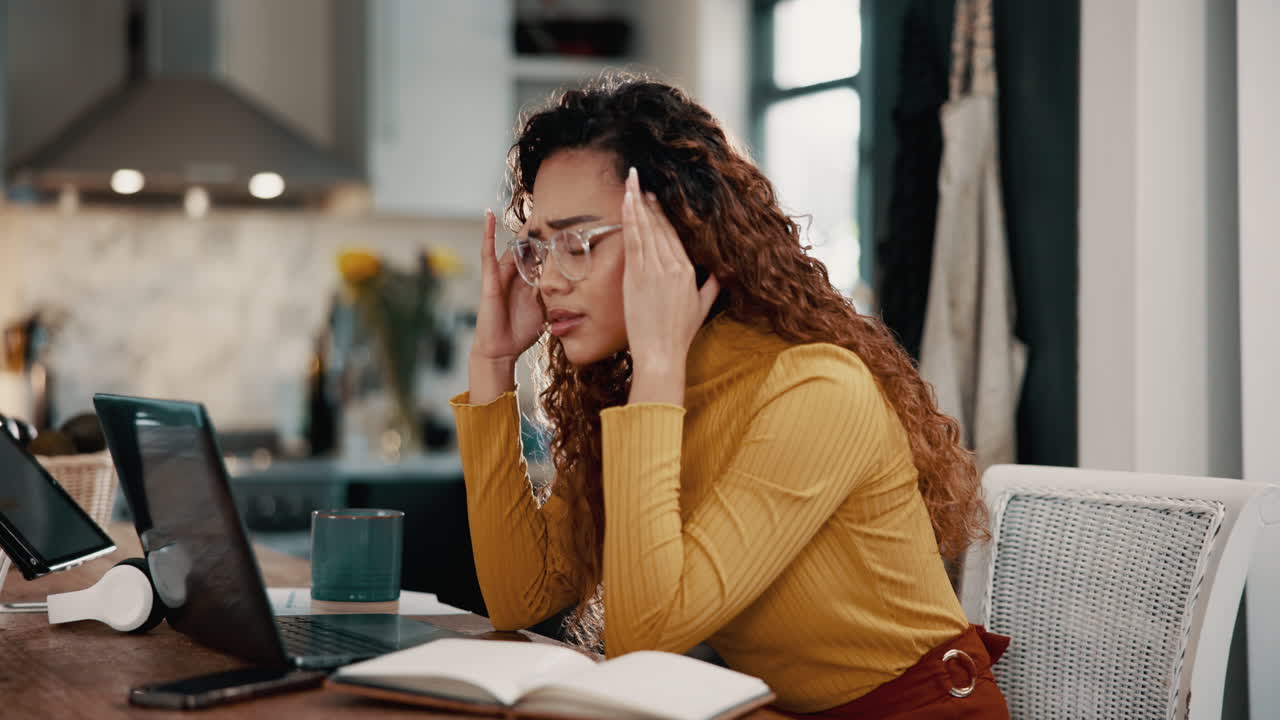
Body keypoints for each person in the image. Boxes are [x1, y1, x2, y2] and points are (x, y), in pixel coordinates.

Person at [450, 74, 1010, 719]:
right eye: (538, 248)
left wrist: (657, 369)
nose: (547, 278)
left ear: (679, 241)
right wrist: (492, 364)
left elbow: (643, 640)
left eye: (576, 243)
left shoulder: (814, 388)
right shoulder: (645, 391)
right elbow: (519, 596)